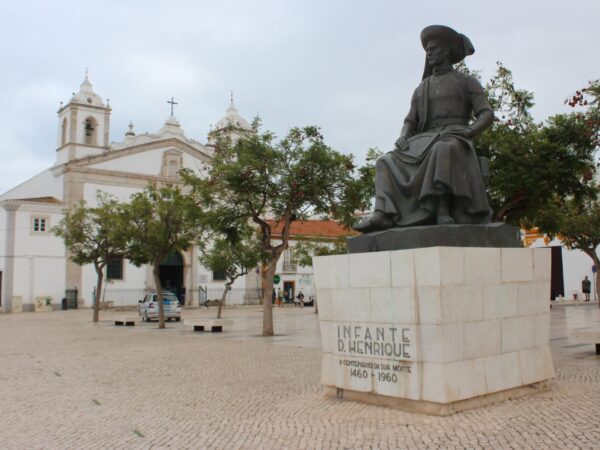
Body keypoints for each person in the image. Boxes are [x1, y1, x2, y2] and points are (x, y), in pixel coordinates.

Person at [354, 25, 494, 232]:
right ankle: (384, 213)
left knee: (443, 149)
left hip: (455, 137)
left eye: (434, 49)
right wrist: (403, 136)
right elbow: (410, 120)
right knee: (385, 160)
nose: (429, 53)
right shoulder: (421, 88)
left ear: (446, 51)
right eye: (427, 50)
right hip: (425, 139)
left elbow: (487, 114)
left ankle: (442, 210)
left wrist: (470, 130)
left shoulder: (466, 82)